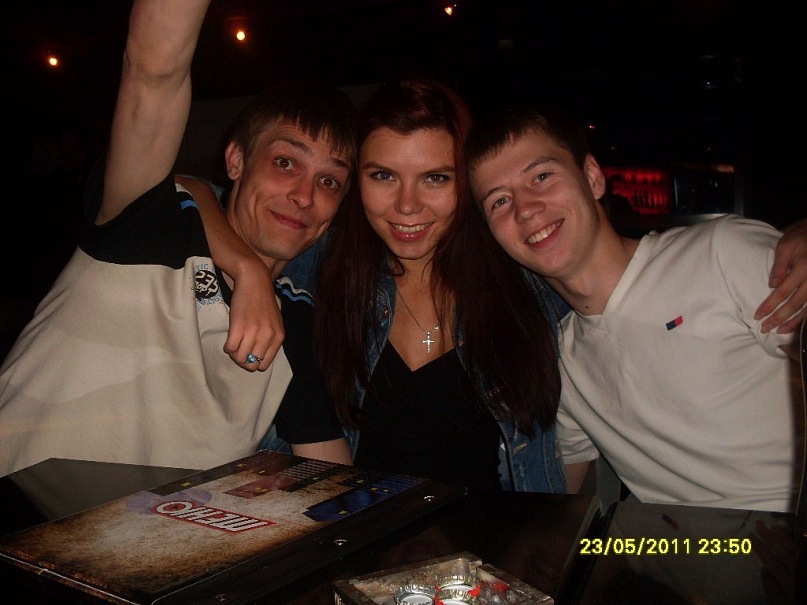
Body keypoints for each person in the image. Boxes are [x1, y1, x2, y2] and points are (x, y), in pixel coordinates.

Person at [0, 0, 355, 477]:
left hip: (140, 527)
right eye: (285, 162)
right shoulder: (152, 222)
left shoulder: (293, 320)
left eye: (329, 181)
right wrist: (248, 269)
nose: (304, 195)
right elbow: (154, 71)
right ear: (236, 160)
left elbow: (334, 483)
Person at [466, 103, 805, 511]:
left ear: (592, 177)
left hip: (784, 526)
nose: (525, 209)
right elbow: (556, 495)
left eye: (541, 176)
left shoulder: (721, 254)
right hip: (667, 544)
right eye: (500, 201)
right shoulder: (562, 360)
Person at [309, 80, 565, 493]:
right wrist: (246, 268)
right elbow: (207, 199)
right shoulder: (323, 274)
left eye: (435, 178)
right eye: (384, 175)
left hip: (495, 533)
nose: (407, 205)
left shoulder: (526, 287)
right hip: (365, 532)